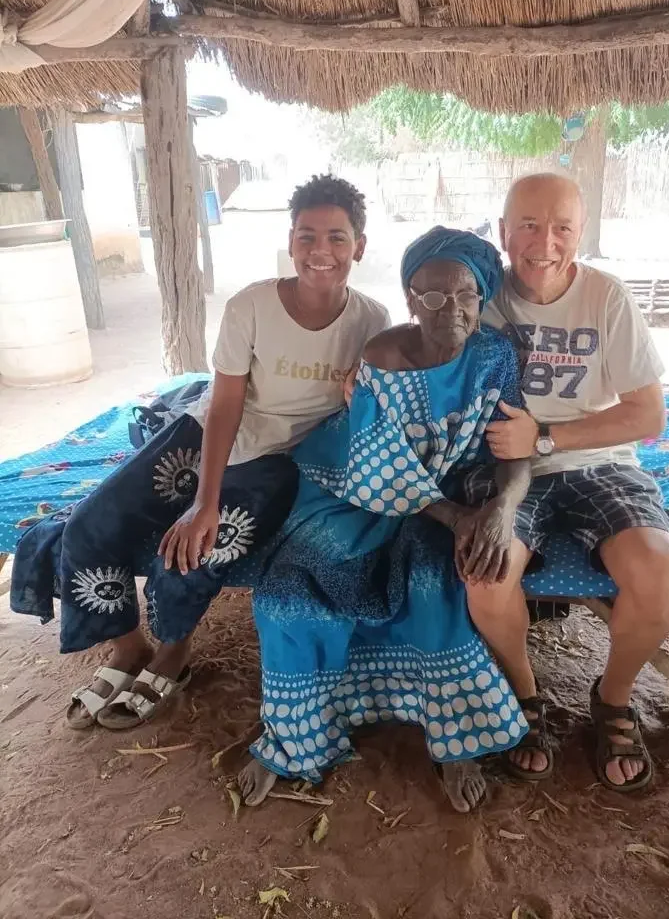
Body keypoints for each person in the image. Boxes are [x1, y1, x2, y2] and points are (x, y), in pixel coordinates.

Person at [12, 175, 390, 730]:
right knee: (92, 523)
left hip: (281, 459)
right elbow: (225, 404)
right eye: (307, 236)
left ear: (359, 244)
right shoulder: (252, 306)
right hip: (208, 430)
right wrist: (202, 498)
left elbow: (376, 395)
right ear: (291, 241)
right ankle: (128, 647)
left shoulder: (371, 321)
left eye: (337, 237)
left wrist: (209, 513)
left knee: (204, 545)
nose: (321, 252)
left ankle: (172, 653)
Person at [236, 227, 532, 814]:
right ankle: (296, 738)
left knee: (434, 584)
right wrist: (459, 518)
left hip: (449, 496)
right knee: (285, 592)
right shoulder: (382, 358)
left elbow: (516, 448)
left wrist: (501, 510)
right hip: (352, 490)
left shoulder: (494, 355)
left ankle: (456, 743)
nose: (452, 309)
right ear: (409, 298)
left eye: (468, 294)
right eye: (434, 296)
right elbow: (376, 464)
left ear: (482, 297)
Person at [467, 172, 669, 792]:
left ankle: (613, 702)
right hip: (512, 473)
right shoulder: (478, 301)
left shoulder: (607, 297)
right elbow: (427, 360)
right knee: (485, 573)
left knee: (660, 569)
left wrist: (546, 437)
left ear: (580, 232)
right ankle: (524, 695)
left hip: (601, 461)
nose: (545, 242)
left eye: (562, 226)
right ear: (504, 231)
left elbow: (648, 413)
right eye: (530, 226)